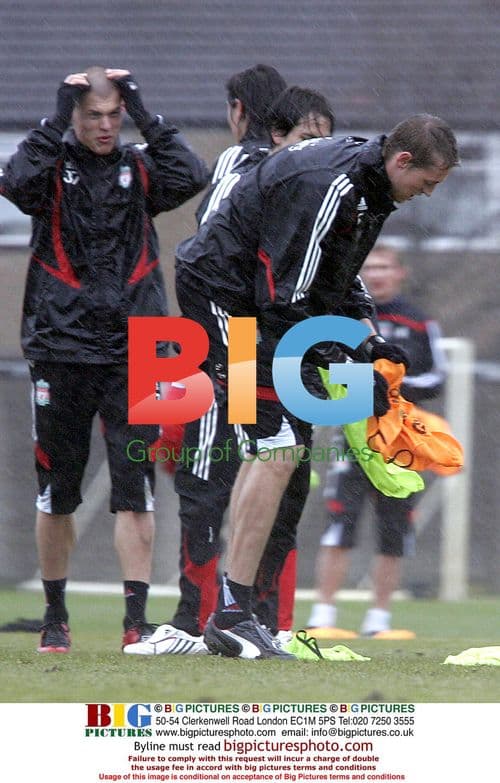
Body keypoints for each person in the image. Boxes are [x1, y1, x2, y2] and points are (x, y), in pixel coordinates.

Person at [174, 113, 458, 659]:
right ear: (402, 161)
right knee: (279, 449)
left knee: (275, 450)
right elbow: (288, 295)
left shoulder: (372, 188)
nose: (426, 194)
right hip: (228, 299)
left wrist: (368, 342)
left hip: (261, 304)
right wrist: (347, 367)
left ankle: (234, 610)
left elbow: (338, 270)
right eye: (427, 182)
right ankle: (231, 614)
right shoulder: (333, 184)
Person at [0, 66, 209, 653]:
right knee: (57, 492)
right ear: (73, 115)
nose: (105, 125)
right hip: (59, 349)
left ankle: (135, 623)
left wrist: (143, 109)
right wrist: (55, 110)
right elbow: (14, 184)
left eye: (114, 114)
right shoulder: (48, 168)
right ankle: (54, 617)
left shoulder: (141, 166)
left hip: (136, 350)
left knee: (135, 488)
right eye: (93, 114)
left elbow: (191, 174)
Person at [123, 81, 335, 656]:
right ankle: (201, 621)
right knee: (209, 472)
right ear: (274, 131)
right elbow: (213, 250)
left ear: (236, 110)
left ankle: (255, 622)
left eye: (322, 140)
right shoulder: (248, 167)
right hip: (232, 339)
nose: (314, 150)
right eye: (305, 138)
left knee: (277, 478)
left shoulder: (319, 187)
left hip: (266, 341)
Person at [307, 244, 447, 637]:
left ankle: (379, 619)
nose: (378, 274)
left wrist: (392, 389)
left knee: (395, 529)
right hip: (353, 439)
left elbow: (438, 378)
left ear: (400, 273)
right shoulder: (342, 315)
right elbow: (322, 369)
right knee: (339, 525)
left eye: (385, 267)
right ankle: (323, 616)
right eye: (370, 266)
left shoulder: (418, 321)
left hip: (403, 442)